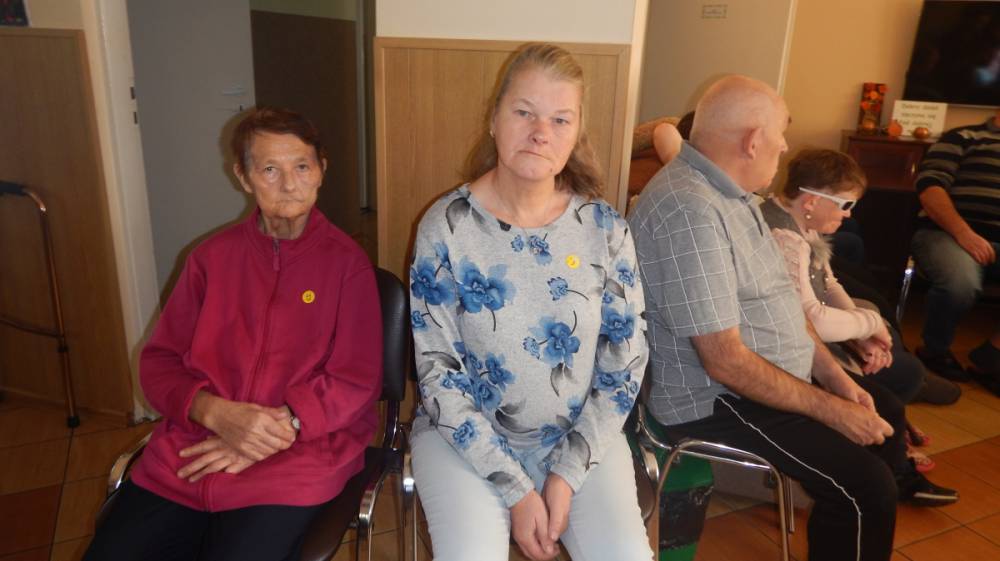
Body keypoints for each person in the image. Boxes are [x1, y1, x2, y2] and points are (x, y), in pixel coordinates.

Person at [628, 75, 957, 561]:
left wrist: (834, 378)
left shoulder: (736, 197)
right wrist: (830, 409)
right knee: (863, 487)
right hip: (714, 398)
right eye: (780, 138)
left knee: (884, 409)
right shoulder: (689, 211)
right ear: (751, 141)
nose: (783, 149)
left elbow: (783, 301)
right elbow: (723, 362)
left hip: (757, 375)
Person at [84, 108, 383, 561]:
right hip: (193, 449)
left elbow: (355, 381)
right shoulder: (209, 260)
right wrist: (213, 412)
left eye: (302, 166)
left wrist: (274, 430)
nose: (289, 184)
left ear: (322, 170)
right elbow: (159, 363)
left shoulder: (348, 266)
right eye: (270, 169)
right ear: (243, 177)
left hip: (296, 454)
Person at [409, 43, 652, 561]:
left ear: (576, 134)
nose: (541, 132)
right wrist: (517, 489)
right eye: (524, 112)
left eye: (560, 119)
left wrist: (566, 474)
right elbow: (437, 373)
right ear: (494, 119)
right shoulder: (446, 226)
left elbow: (625, 364)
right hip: (463, 441)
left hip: (579, 440)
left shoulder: (606, 229)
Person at [760, 148, 961, 468]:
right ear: (812, 201)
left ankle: (889, 428)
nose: (849, 215)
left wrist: (863, 333)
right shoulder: (785, 238)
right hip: (791, 348)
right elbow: (811, 320)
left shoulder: (803, 223)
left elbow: (828, 284)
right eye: (846, 205)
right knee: (904, 373)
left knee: (888, 348)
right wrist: (868, 324)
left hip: (812, 336)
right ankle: (881, 440)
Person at [911, 109, 1000, 386]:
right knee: (960, 282)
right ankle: (934, 351)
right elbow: (930, 187)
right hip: (948, 234)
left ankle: (992, 355)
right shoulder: (963, 137)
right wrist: (964, 233)